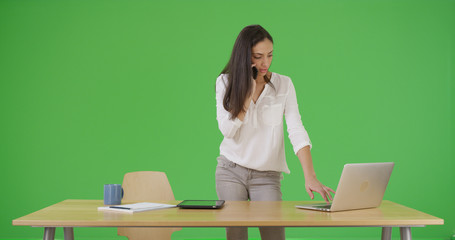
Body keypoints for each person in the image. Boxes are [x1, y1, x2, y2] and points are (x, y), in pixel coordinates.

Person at [214, 24, 335, 240]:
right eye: (258, 56)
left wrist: (310, 176)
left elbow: (296, 129)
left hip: (267, 176)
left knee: (274, 235)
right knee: (236, 235)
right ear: (244, 56)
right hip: (231, 171)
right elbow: (227, 130)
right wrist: (247, 96)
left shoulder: (284, 85)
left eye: (269, 55)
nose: (265, 63)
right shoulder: (225, 82)